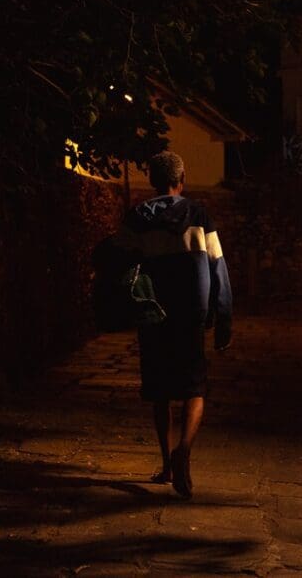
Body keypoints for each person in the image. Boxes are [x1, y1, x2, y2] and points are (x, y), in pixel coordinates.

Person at [104, 151, 232, 499]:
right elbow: (218, 266)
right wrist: (223, 314)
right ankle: (185, 450)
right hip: (191, 314)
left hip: (152, 313)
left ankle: (165, 463)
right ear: (182, 179)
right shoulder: (199, 215)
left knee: (159, 392)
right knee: (195, 388)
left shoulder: (136, 219)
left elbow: (119, 262)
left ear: (152, 180)